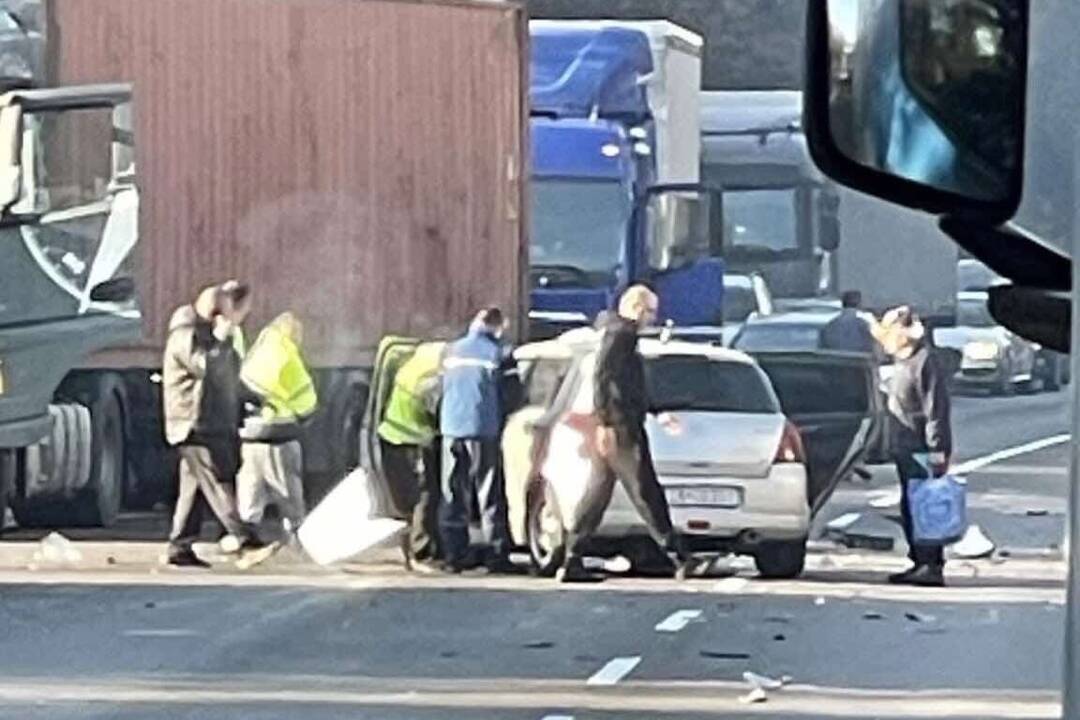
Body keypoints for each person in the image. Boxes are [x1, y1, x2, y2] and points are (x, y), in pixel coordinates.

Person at [558, 285, 693, 583]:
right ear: (637, 308)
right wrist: (605, 421)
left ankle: (572, 557)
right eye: (651, 312)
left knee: (597, 493)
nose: (653, 319)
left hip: (618, 422)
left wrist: (657, 411)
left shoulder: (618, 334)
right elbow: (603, 378)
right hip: (620, 425)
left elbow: (630, 384)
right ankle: (677, 554)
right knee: (645, 488)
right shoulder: (621, 335)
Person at [162, 285, 270, 568]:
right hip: (194, 423)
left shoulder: (207, 335)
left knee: (194, 488)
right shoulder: (186, 334)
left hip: (208, 421)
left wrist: (253, 399)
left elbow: (227, 379)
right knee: (218, 481)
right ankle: (246, 541)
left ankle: (179, 546)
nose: (239, 320)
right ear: (218, 313)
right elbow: (205, 367)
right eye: (236, 314)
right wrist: (221, 340)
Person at [877, 306, 952, 587]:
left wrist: (937, 451)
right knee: (910, 506)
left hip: (922, 449)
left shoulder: (924, 362)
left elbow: (936, 412)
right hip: (905, 448)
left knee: (925, 508)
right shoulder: (903, 363)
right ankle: (919, 560)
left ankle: (931, 564)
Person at [438, 307, 513, 573]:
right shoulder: (498, 353)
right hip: (483, 429)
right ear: (497, 326)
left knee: (452, 492)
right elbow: (511, 394)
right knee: (488, 491)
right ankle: (496, 555)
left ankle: (453, 555)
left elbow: (439, 388)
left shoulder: (451, 350)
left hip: (451, 428)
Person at [236, 312, 317, 543]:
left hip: (251, 432)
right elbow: (306, 401)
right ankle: (296, 538)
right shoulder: (287, 355)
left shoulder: (259, 349)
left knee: (251, 486)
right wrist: (303, 416)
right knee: (288, 491)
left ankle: (245, 535)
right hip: (279, 432)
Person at [377, 340, 445, 572]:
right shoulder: (428, 379)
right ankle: (422, 551)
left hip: (392, 439)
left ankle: (410, 550)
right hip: (413, 443)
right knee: (425, 495)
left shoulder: (409, 369)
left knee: (407, 497)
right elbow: (434, 411)